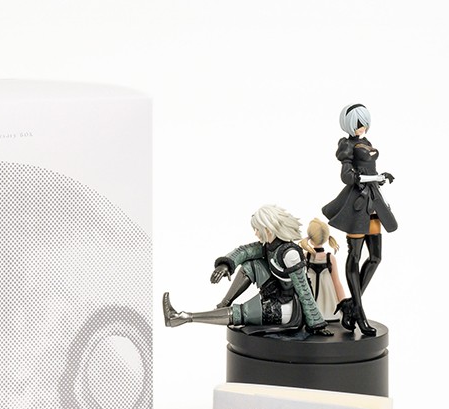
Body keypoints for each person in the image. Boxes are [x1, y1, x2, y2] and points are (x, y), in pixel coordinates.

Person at [162, 205, 332, 336]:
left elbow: (303, 290)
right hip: (274, 290)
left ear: (268, 229)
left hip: (285, 307)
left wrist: (316, 323)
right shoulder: (269, 246)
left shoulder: (290, 254)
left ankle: (185, 317)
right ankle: (222, 305)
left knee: (240, 313)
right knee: (250, 264)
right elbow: (245, 251)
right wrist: (226, 264)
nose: (256, 233)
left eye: (258, 229)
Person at [321, 103, 397, 335]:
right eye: (357, 123)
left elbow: (369, 170)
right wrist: (372, 177)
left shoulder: (367, 142)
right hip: (357, 203)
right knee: (354, 256)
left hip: (373, 200)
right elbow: (347, 176)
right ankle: (360, 314)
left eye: (364, 123)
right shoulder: (346, 145)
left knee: (375, 257)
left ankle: (351, 306)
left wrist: (380, 178)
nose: (362, 127)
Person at [300, 218, 346, 321]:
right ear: (326, 238)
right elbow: (337, 283)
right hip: (328, 305)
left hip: (311, 302)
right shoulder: (329, 258)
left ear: (310, 238)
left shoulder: (306, 256)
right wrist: (344, 302)